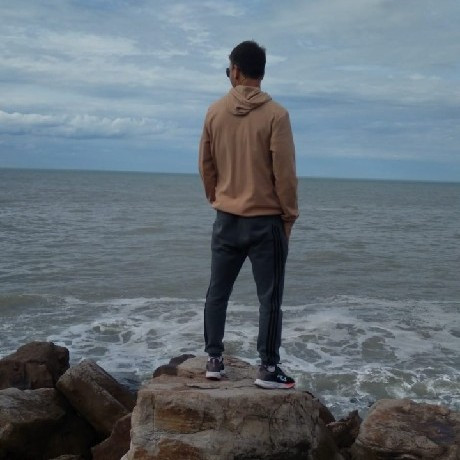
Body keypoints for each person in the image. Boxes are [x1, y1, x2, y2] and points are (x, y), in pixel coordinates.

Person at [198, 40, 298, 389]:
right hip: (265, 220)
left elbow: (206, 166)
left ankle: (213, 359)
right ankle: (268, 368)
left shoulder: (214, 112)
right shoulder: (277, 115)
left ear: (237, 71)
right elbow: (285, 174)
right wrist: (289, 217)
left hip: (226, 218)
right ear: (261, 73)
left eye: (229, 69)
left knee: (217, 292)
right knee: (269, 299)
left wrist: (218, 198)